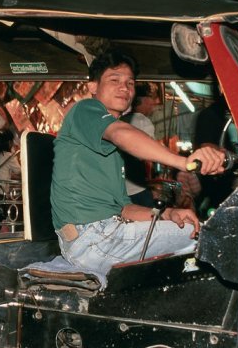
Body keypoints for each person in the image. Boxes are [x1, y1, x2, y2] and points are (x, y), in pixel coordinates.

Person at [50, 50, 225, 279]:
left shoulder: (107, 152)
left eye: (130, 83)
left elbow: (124, 209)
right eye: (115, 80)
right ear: (93, 87)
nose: (125, 88)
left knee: (194, 232)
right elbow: (121, 133)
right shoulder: (86, 110)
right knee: (208, 239)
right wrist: (185, 162)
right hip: (92, 239)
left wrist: (169, 213)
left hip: (100, 237)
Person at [120, 83, 159, 207]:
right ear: (144, 100)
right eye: (151, 99)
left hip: (119, 188)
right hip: (137, 188)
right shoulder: (143, 121)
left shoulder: (120, 120)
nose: (153, 103)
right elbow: (149, 155)